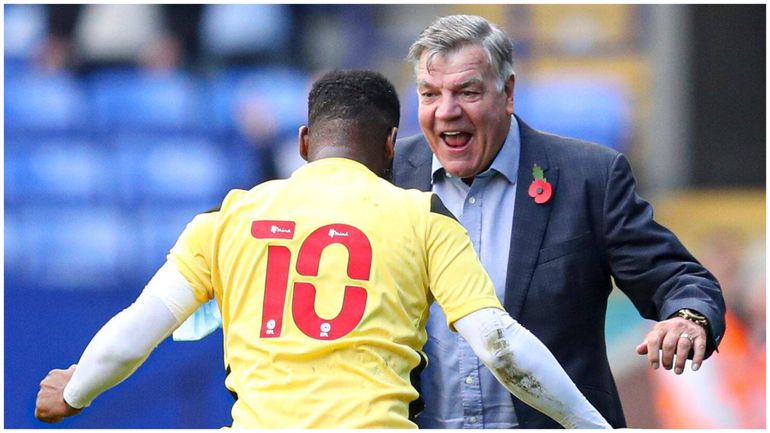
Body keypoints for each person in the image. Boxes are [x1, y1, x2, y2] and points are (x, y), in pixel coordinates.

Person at [34, 70, 611, 429]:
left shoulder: (231, 215)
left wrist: (77, 389)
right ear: (391, 147)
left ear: (306, 142)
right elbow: (499, 343)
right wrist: (592, 426)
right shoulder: (423, 217)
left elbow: (142, 326)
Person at [393, 14, 726, 428]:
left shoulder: (589, 177)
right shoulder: (385, 176)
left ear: (508, 92)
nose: (447, 111)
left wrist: (687, 317)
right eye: (430, 94)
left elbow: (677, 277)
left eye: (467, 91)